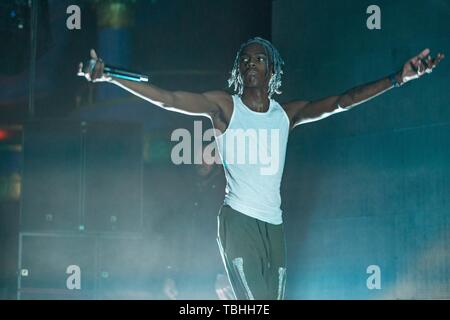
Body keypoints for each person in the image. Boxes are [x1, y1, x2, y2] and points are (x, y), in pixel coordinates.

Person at [78, 37, 444, 300]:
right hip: (238, 221)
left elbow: (342, 102)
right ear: (239, 70)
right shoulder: (224, 106)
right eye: (245, 60)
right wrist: (110, 76)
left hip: (275, 226)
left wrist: (399, 78)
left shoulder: (286, 114)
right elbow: (169, 99)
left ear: (272, 70)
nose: (251, 64)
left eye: (259, 59)